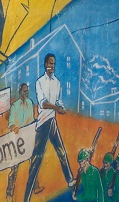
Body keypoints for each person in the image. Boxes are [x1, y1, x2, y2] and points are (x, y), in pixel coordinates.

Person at [24, 53, 75, 201]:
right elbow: (43, 103)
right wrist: (56, 108)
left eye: (54, 64)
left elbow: (58, 101)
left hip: (52, 121)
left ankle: (70, 179)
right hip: (43, 123)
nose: (52, 66)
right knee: (36, 160)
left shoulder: (57, 83)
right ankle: (26, 197)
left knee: (61, 151)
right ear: (45, 64)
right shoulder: (39, 82)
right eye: (50, 63)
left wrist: (61, 107)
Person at [6, 83, 39, 201]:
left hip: (28, 138)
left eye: (27, 91)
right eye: (24, 91)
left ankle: (36, 187)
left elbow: (32, 119)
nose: (26, 93)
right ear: (20, 92)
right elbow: (10, 123)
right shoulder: (15, 106)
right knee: (14, 167)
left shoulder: (30, 103)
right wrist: (14, 127)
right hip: (17, 142)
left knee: (33, 162)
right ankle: (9, 194)